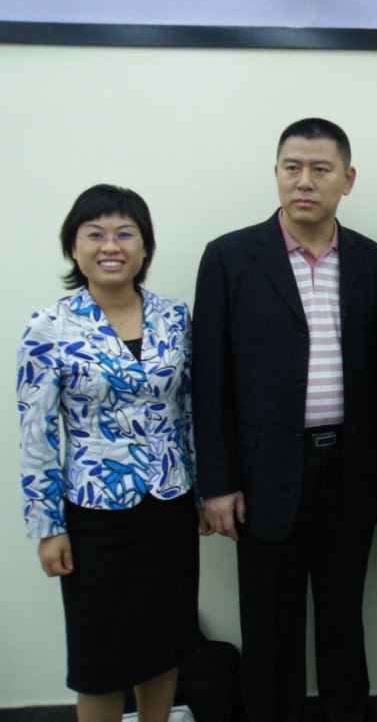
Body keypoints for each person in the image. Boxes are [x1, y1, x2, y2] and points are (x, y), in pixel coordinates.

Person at [192, 118, 377, 722]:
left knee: (343, 617)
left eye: (320, 169)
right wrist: (217, 482)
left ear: (347, 180)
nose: (304, 181)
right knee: (270, 622)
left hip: (350, 470)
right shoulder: (229, 257)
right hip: (262, 474)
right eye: (292, 168)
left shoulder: (372, 261)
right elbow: (209, 378)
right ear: (277, 174)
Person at [16, 184, 204, 722]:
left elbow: (190, 410)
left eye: (125, 234)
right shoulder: (50, 327)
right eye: (95, 234)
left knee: (164, 643)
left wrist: (201, 491)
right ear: (73, 247)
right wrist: (47, 526)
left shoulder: (174, 318)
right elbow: (36, 433)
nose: (111, 246)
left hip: (169, 506)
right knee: (99, 658)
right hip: (94, 515)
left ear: (144, 247)